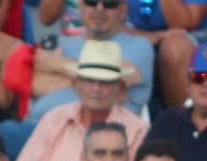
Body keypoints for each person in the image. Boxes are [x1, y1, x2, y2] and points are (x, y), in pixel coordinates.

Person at [11, 40, 146, 161]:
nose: (96, 89)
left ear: (119, 88)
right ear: (76, 85)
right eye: (89, 80)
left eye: (105, 82)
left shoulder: (136, 130)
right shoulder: (53, 120)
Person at [25, 0, 153, 122]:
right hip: (39, 126)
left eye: (109, 3)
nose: (99, 8)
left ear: (123, 10)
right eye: (91, 1)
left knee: (8, 130)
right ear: (80, 6)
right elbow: (35, 84)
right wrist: (89, 80)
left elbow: (127, 76)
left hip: (98, 135)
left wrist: (58, 65)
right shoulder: (63, 43)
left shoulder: (140, 46)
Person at [124, 0, 207, 107]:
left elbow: (182, 25)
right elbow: (115, 26)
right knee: (132, 48)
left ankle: (187, 125)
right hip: (159, 36)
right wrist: (151, 37)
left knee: (174, 47)